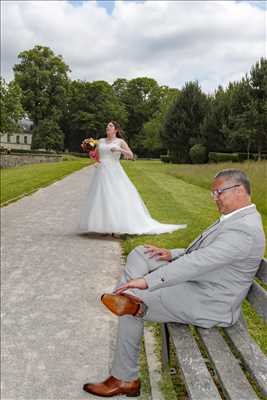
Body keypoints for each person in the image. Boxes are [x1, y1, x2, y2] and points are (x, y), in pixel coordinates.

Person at [83, 169, 265, 397]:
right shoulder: (238, 218)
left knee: (131, 306)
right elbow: (205, 253)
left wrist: (147, 281)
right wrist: (171, 253)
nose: (214, 198)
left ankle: (124, 378)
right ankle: (124, 297)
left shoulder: (244, 229)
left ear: (238, 190)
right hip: (201, 282)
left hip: (210, 301)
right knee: (142, 253)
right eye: (213, 193)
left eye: (218, 192)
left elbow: (199, 261)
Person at [80, 120, 186, 236]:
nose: (108, 127)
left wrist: (119, 150)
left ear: (116, 130)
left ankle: (116, 229)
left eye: (110, 126)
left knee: (116, 197)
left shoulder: (120, 141)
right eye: (107, 126)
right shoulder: (100, 141)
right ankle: (105, 226)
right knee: (101, 198)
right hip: (101, 172)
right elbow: (97, 155)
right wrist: (88, 146)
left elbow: (131, 155)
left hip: (114, 172)